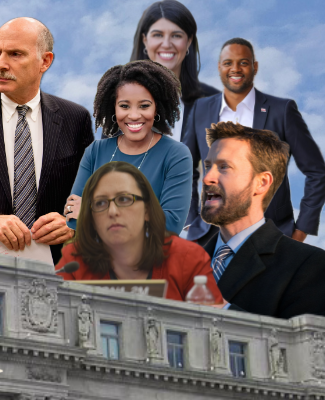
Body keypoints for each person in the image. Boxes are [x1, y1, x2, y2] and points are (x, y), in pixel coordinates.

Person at [0, 17, 94, 261]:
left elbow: (92, 194)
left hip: (57, 272)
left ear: (45, 61)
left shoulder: (76, 119)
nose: (1, 64)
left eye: (15, 54)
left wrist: (74, 220)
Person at [181, 38, 325, 241]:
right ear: (219, 67)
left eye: (243, 62)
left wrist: (301, 229)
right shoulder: (200, 110)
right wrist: (190, 220)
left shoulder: (281, 111)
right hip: (209, 234)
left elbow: (316, 171)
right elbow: (184, 167)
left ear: (254, 67)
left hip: (270, 232)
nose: (235, 69)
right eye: (228, 63)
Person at [195, 121, 325, 319]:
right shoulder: (180, 263)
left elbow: (306, 347)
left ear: (261, 182)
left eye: (223, 167)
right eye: (208, 166)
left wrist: (221, 308)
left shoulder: (310, 266)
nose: (207, 178)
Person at [58, 161, 222, 303]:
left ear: (148, 210)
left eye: (124, 199)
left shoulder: (188, 258)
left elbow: (216, 329)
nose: (112, 211)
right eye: (100, 203)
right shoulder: (73, 261)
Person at [65, 61, 192, 235]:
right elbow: (73, 218)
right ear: (113, 107)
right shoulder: (95, 151)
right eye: (124, 106)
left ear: (156, 109)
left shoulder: (176, 155)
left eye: (144, 106)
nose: (133, 115)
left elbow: (169, 225)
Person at [130, 0, 217, 141]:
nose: (166, 44)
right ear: (145, 40)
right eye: (158, 35)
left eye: (176, 35)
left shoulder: (213, 103)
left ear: (188, 41)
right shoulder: (119, 98)